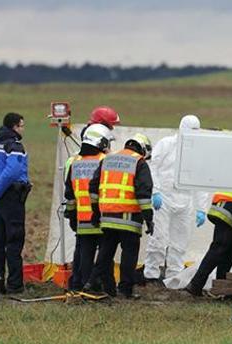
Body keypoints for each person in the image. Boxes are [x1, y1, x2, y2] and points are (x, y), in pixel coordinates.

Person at [85, 133, 154, 298]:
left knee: (105, 252)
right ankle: (125, 289)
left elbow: (93, 187)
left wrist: (95, 212)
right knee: (129, 254)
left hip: (107, 216)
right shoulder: (139, 162)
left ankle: (92, 281)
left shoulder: (108, 159)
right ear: (142, 148)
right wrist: (149, 218)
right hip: (129, 218)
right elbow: (143, 193)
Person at [144, 115, 210, 284]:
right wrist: (155, 191)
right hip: (164, 199)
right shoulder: (167, 144)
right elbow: (153, 166)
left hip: (185, 201)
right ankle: (151, 274)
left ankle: (174, 275)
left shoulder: (199, 152)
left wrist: (201, 208)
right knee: (159, 237)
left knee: (180, 241)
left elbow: (200, 181)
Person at [0, 112, 32, 294]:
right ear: (15, 127)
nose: (23, 129)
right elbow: (12, 171)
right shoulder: (14, 145)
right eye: (22, 125)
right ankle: (15, 285)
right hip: (11, 198)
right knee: (14, 240)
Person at [64, 124, 113, 291]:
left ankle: (85, 286)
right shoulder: (104, 161)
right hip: (102, 217)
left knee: (86, 255)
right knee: (105, 256)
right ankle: (105, 287)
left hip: (83, 218)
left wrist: (71, 216)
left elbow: (69, 195)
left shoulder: (75, 163)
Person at [184, 192, 232, 297]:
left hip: (220, 204)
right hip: (231, 209)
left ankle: (221, 288)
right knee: (219, 248)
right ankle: (196, 285)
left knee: (229, 252)